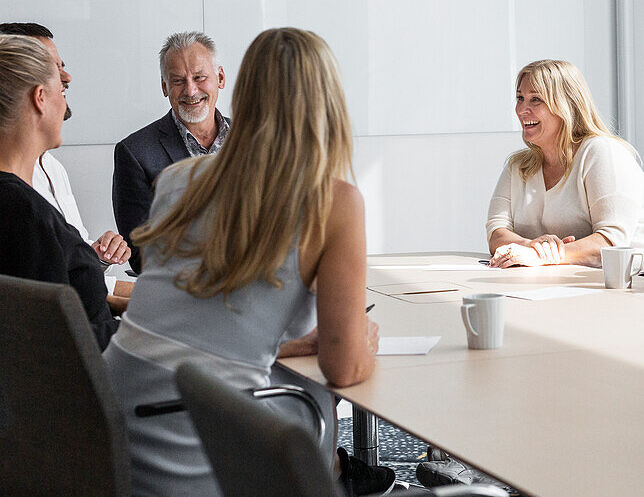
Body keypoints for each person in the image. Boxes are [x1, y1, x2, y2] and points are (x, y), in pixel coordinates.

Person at [103, 27, 384, 495]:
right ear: (329, 102)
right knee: (313, 395)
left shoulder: (178, 178)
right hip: (199, 437)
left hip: (114, 424)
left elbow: (190, 316)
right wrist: (363, 342)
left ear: (237, 88)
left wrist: (287, 344)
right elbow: (345, 368)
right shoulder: (333, 201)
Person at [485, 59, 644, 267]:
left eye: (535, 99)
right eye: (520, 98)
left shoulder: (601, 151)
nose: (522, 110)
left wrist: (540, 256)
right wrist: (530, 245)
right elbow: (496, 233)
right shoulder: (518, 166)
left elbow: (611, 243)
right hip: (555, 283)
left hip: (630, 285)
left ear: (566, 105)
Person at [0, 35, 120, 349]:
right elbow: (56, 346)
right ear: (40, 97)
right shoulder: (23, 213)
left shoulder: (20, 203)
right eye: (61, 91)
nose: (65, 104)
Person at [0, 22, 130, 266]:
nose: (66, 78)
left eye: (62, 67)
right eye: (50, 68)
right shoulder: (16, 199)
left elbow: (68, 275)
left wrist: (97, 256)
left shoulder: (54, 168)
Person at [113, 31, 229, 273]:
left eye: (199, 77)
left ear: (220, 78)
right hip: (187, 297)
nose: (190, 90)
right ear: (165, 87)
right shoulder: (135, 153)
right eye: (178, 81)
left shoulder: (255, 139)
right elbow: (141, 253)